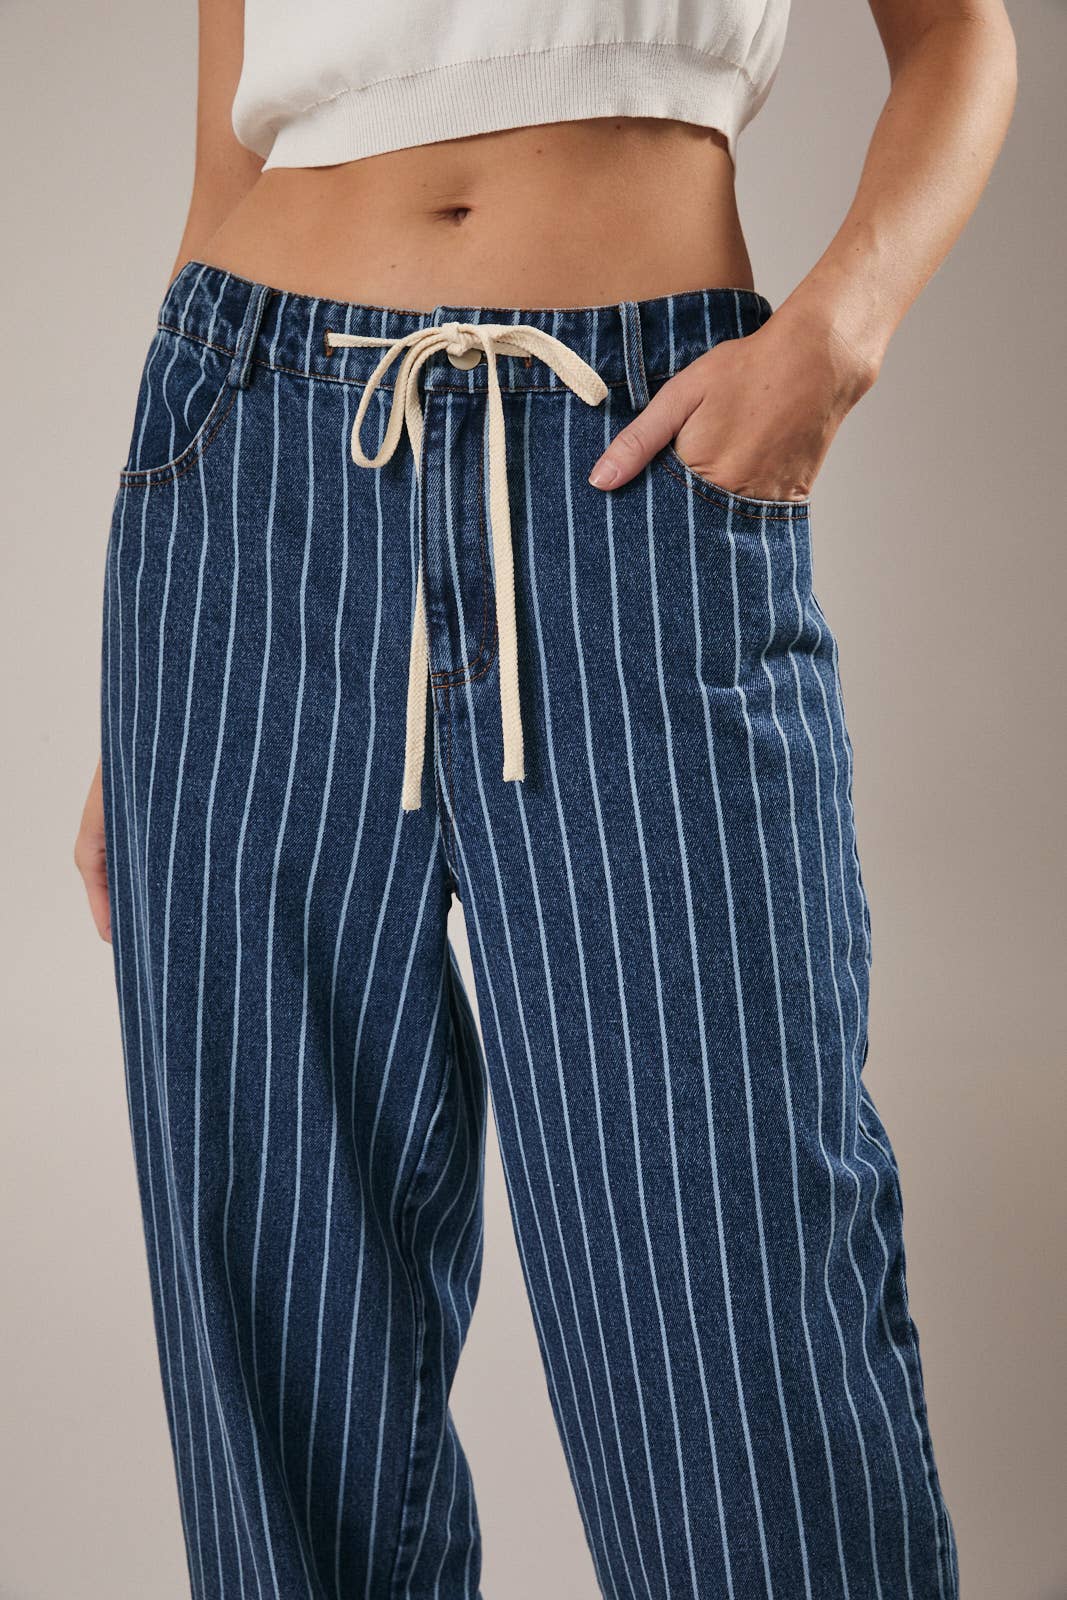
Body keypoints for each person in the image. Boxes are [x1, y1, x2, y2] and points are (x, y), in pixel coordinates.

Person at [74, 0, 1015, 1594]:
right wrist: (150, 675)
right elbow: (227, 163)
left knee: (741, 1292)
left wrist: (842, 328)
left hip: (633, 460)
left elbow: (959, 38)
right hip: (249, 486)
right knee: (278, 1317)